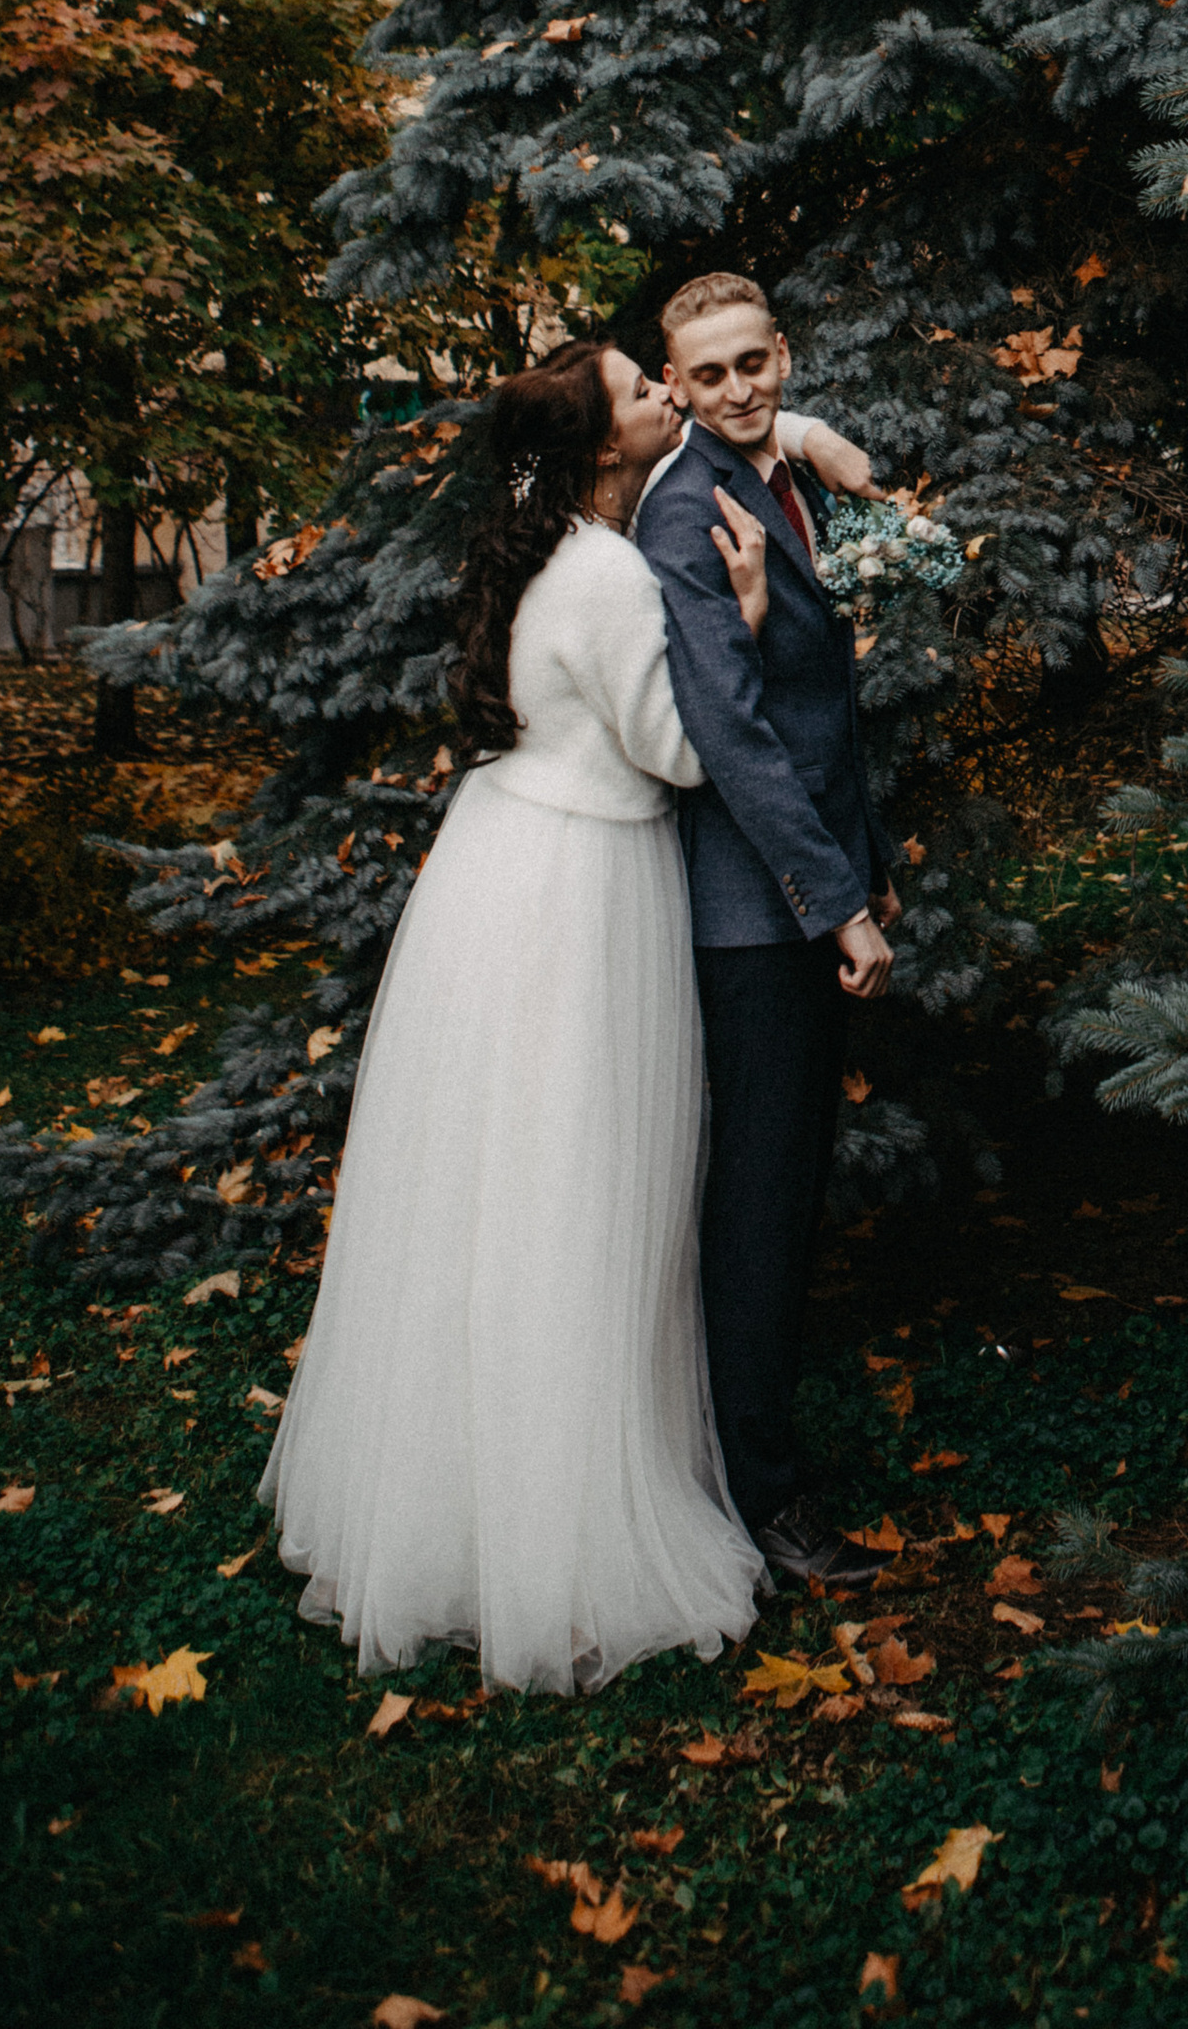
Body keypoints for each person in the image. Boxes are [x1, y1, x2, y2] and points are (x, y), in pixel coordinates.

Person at [261, 338, 788, 1694]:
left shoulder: (533, 542)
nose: (674, 393)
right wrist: (743, 614)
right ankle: (556, 1535)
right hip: (578, 893)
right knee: (577, 1191)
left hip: (493, 868)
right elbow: (674, 750)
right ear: (605, 443)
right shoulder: (610, 571)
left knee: (482, 1191)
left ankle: (450, 1502)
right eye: (646, 388)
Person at [636, 271, 901, 1595]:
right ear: (675, 386)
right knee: (758, 1204)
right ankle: (765, 1498)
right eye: (711, 374)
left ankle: (756, 1457)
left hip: (816, 882)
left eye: (756, 363)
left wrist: (874, 863)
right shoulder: (686, 515)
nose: (740, 389)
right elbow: (734, 742)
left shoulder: (784, 474)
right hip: (752, 919)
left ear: (783, 356)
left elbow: (827, 707)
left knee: (788, 1194)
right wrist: (833, 903)